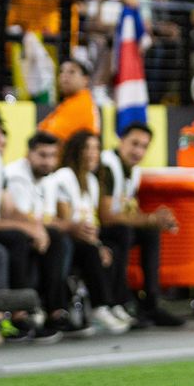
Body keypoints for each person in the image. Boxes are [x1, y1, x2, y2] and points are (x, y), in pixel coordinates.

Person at [97, 122, 185, 327]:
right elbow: (106, 216)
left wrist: (157, 220)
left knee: (149, 232)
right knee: (124, 232)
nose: (138, 151)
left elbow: (129, 211)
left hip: (115, 228)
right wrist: (150, 218)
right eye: (134, 143)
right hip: (95, 229)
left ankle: (151, 304)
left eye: (144, 146)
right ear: (121, 140)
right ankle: (120, 301)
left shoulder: (132, 171)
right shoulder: (107, 165)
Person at [53, 130, 129, 334]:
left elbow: (92, 222)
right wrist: (95, 245)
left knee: (111, 247)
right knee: (91, 250)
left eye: (96, 148)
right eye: (87, 148)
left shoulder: (92, 182)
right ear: (76, 151)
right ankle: (100, 307)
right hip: (67, 238)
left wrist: (99, 244)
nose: (93, 153)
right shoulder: (64, 177)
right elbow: (65, 219)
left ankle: (114, 303)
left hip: (85, 239)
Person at [5, 131, 71, 341]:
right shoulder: (15, 175)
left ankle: (55, 311)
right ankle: (19, 314)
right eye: (43, 155)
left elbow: (47, 218)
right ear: (29, 154)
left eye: (52, 155)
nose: (48, 161)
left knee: (60, 239)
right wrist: (38, 230)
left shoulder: (48, 179)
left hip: (26, 231)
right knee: (22, 240)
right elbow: (18, 216)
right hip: (10, 230)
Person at [38, 58, 100, 143]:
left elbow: (49, 138)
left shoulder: (81, 104)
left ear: (85, 80)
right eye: (61, 71)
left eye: (72, 72)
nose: (64, 75)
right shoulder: (70, 102)